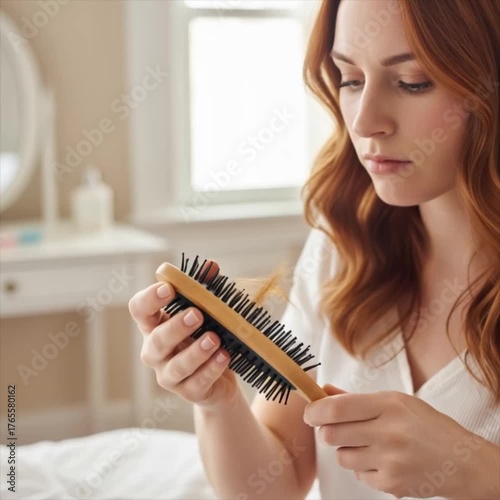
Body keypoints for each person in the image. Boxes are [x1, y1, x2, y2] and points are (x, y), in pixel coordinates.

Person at [128, 0, 500, 498]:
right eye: (349, 78)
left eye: (412, 81)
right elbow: (273, 486)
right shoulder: (344, 244)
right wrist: (218, 404)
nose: (365, 122)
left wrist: (475, 470)